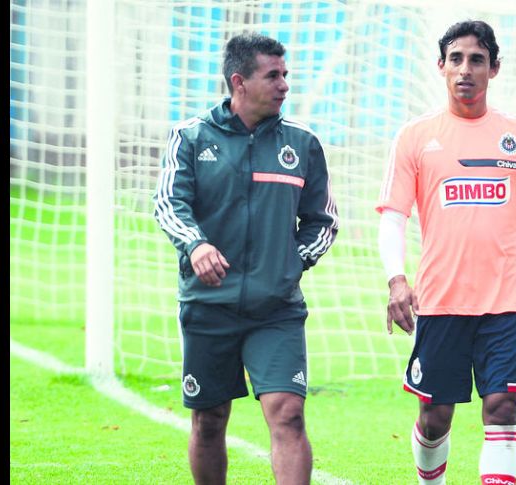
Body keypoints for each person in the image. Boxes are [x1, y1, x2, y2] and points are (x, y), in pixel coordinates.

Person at [376, 20, 516, 485]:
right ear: (441, 67)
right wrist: (397, 278)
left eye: (477, 60)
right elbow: (394, 215)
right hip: (440, 302)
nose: (465, 70)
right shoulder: (416, 137)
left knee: (502, 408)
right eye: (456, 59)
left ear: (493, 69)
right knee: (435, 417)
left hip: (507, 302)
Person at [153, 32, 338, 485]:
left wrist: (292, 262)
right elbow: (168, 205)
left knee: (288, 414)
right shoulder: (191, 137)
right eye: (272, 75)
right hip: (208, 306)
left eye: (285, 75)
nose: (284, 85)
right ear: (240, 81)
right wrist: (196, 245)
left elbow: (324, 221)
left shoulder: (303, 144)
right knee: (210, 420)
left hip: (275, 310)